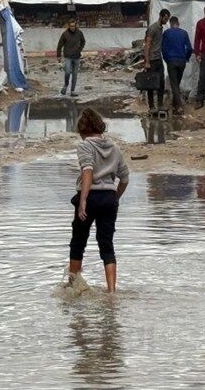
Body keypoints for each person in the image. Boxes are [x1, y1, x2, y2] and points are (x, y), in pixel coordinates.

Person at [66, 108, 130, 293]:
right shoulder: (114, 147)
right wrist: (115, 197)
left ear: (82, 130)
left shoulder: (85, 145)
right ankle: (111, 292)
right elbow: (124, 178)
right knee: (107, 245)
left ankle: (72, 285)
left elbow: (88, 171)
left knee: (78, 241)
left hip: (91, 196)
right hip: (109, 198)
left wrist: (84, 200)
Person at [161, 15, 192, 115]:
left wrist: (167, 59)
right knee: (176, 83)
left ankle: (179, 107)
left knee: (174, 84)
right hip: (182, 61)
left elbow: (163, 49)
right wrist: (186, 58)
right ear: (178, 23)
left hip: (171, 61)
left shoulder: (166, 33)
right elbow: (189, 48)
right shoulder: (184, 33)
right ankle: (175, 105)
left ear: (170, 23)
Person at [144, 9, 169, 113]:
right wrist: (147, 61)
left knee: (161, 82)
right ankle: (151, 106)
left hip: (158, 59)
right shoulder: (153, 29)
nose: (166, 21)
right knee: (151, 84)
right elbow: (147, 45)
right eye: (165, 19)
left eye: (167, 19)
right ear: (161, 16)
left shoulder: (160, 28)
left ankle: (160, 104)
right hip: (152, 60)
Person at [57, 19, 86, 97]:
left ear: (75, 25)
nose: (72, 27)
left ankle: (72, 91)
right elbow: (59, 45)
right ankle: (66, 85)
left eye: (73, 26)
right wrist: (58, 56)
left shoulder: (79, 33)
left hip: (76, 57)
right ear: (68, 26)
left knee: (75, 74)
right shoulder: (65, 34)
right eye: (71, 26)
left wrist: (80, 50)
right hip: (68, 56)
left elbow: (83, 41)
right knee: (67, 71)